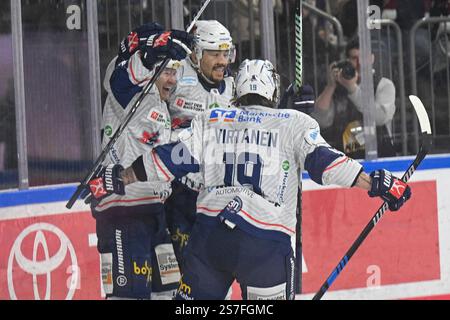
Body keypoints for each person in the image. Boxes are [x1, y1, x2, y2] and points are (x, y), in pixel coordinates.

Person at [82, 59, 412, 300]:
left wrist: (118, 177)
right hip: (265, 243)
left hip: (210, 238)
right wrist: (377, 184)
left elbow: (167, 160)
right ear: (273, 91)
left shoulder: (212, 119)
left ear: (237, 90)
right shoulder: (293, 121)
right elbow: (324, 164)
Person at [84, 29, 194, 300]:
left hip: (154, 213)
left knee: (168, 293)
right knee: (128, 296)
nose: (172, 79)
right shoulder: (127, 91)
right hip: (122, 213)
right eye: (166, 71)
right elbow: (123, 78)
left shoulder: (160, 104)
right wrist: (151, 55)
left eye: (175, 71)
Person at [163, 20, 236, 270]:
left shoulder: (234, 89)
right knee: (180, 277)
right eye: (215, 53)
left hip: (215, 196)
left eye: (226, 53)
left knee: (214, 275)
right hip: (177, 194)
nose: (222, 61)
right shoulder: (177, 74)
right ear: (196, 54)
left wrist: (290, 104)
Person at [313, 37, 397, 159]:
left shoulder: (384, 84)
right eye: (354, 58)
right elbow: (320, 120)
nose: (359, 63)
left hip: (379, 156)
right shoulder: (338, 85)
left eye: (363, 57)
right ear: (347, 60)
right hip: (343, 160)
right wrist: (330, 86)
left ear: (372, 58)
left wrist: (352, 88)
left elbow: (380, 117)